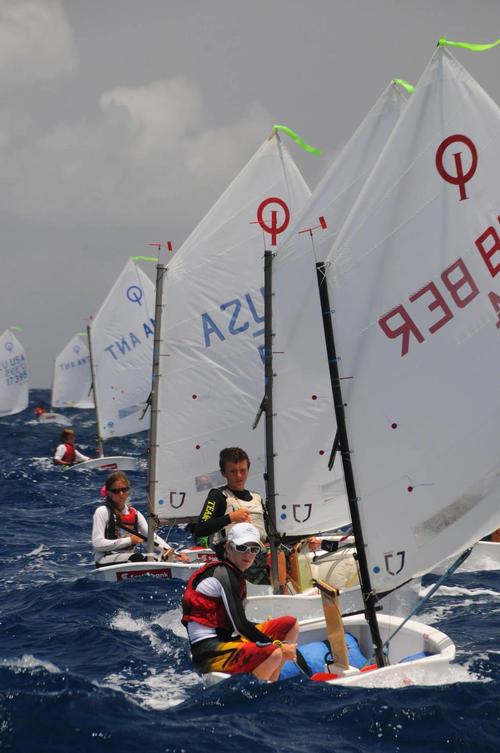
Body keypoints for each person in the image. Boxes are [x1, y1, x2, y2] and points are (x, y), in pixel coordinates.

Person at [182, 522, 298, 681]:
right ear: (229, 548)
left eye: (254, 549)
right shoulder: (223, 574)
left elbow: (237, 624)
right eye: (242, 548)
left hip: (229, 638)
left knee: (290, 624)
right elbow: (240, 625)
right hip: (207, 651)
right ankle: (259, 691)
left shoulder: (234, 574)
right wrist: (279, 645)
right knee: (274, 651)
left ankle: (272, 678)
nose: (248, 554)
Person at [193, 447, 269, 584]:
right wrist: (231, 518)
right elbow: (200, 529)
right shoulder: (217, 496)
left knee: (285, 553)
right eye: (233, 472)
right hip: (234, 557)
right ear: (223, 473)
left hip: (258, 553)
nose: (239, 476)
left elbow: (269, 532)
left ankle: (282, 592)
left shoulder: (257, 498)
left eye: (243, 471)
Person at [92, 471, 191, 567]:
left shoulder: (135, 514)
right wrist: (130, 540)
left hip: (128, 559)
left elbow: (152, 537)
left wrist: (175, 554)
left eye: (124, 489)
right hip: (105, 559)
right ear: (108, 493)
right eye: (116, 491)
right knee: (139, 558)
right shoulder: (102, 512)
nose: (121, 493)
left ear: (128, 491)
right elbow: (97, 543)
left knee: (161, 558)